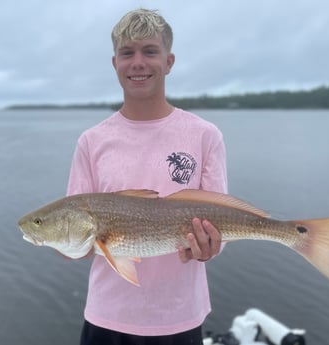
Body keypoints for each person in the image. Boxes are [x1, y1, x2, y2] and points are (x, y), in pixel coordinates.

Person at [67, 8, 228, 345]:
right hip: (106, 317)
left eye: (149, 51)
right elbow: (77, 242)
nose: (137, 62)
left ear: (169, 61)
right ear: (115, 64)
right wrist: (59, 239)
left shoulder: (204, 135)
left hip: (180, 317)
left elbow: (220, 225)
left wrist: (209, 247)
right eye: (127, 53)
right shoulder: (91, 142)